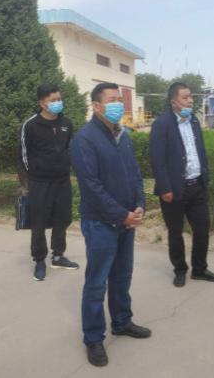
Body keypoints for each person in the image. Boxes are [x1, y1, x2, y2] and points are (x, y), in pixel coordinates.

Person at [71, 82, 151, 367]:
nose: (119, 104)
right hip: (101, 223)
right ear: (96, 106)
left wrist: (139, 204)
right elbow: (91, 187)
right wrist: (121, 214)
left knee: (122, 276)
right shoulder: (84, 139)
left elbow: (135, 174)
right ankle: (93, 338)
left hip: (126, 220)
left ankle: (122, 321)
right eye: (112, 100)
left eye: (120, 99)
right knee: (97, 282)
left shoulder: (123, 135)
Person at [149, 82, 214, 287]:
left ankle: (199, 269)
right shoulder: (162, 124)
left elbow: (200, 151)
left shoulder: (194, 121)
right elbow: (157, 159)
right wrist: (165, 188)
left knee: (202, 228)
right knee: (175, 232)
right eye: (185, 97)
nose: (190, 100)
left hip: (197, 185)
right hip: (174, 189)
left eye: (191, 97)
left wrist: (205, 176)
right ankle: (180, 269)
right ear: (174, 102)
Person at [17, 84, 79, 281]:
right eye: (53, 100)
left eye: (59, 99)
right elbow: (23, 155)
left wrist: (66, 166)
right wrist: (34, 175)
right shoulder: (30, 125)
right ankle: (39, 260)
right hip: (40, 182)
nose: (57, 103)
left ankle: (58, 256)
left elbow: (68, 148)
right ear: (42, 103)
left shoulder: (66, 123)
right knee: (39, 222)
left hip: (62, 181)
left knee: (63, 219)